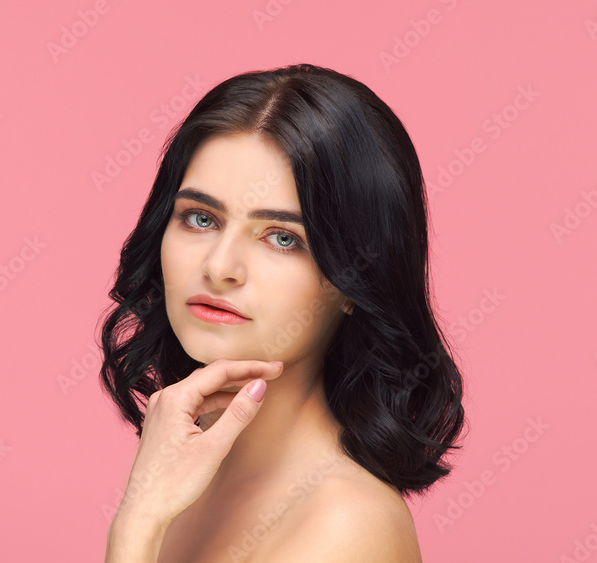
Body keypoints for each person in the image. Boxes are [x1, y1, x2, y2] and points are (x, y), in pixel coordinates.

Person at [100, 63, 466, 562]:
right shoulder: (185, 471)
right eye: (200, 218)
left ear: (353, 279)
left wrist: (136, 525)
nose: (220, 266)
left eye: (282, 237)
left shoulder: (347, 527)